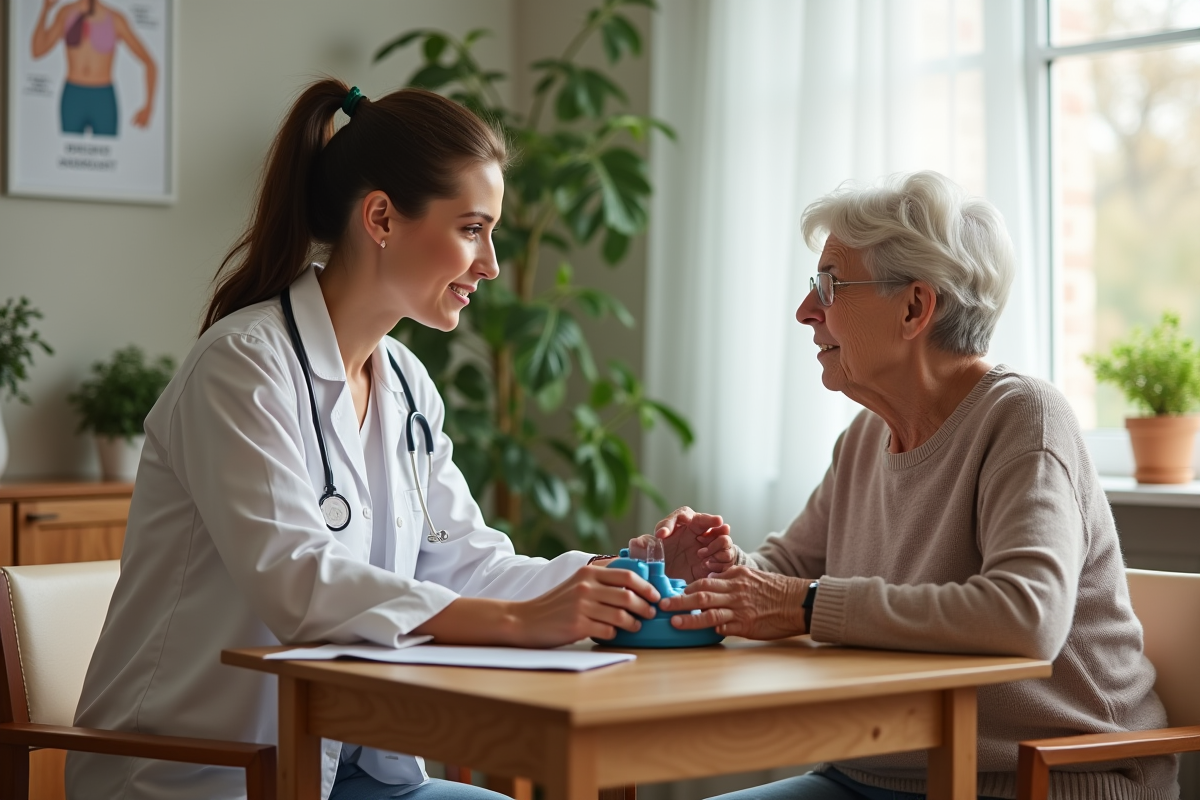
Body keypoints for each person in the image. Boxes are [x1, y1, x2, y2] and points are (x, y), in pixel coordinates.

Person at [66, 80, 733, 800]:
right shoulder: (242, 368)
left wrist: (626, 574)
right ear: (381, 217)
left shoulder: (407, 383)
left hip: (351, 771)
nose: (492, 264)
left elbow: (468, 565)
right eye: (473, 228)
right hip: (210, 776)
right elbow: (298, 581)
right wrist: (519, 620)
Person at [655, 172, 1176, 800]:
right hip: (876, 770)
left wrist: (803, 603)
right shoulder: (862, 439)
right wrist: (719, 571)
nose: (805, 311)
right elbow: (788, 571)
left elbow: (1025, 615)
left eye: (828, 285)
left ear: (914, 308)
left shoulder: (1024, 419)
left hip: (1037, 780)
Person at [30, 0, 157, 135]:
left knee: (108, 151)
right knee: (68, 150)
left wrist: (149, 107)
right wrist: (45, 10)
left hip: (103, 97)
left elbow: (149, 62)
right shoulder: (66, 13)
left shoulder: (115, 18)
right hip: (73, 95)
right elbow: (37, 51)